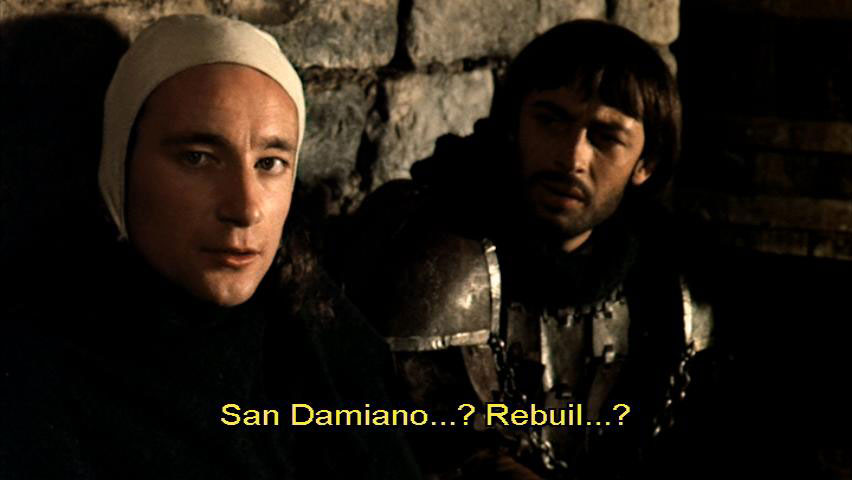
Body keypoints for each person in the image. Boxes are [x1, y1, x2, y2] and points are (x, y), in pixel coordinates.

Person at [0, 14, 418, 479]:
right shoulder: (37, 379)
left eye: (270, 163)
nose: (245, 209)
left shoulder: (319, 335)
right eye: (198, 158)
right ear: (120, 166)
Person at [343, 20, 716, 479]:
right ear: (514, 125)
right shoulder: (433, 254)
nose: (572, 157)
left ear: (646, 164)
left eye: (606, 137)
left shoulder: (667, 288)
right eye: (551, 119)